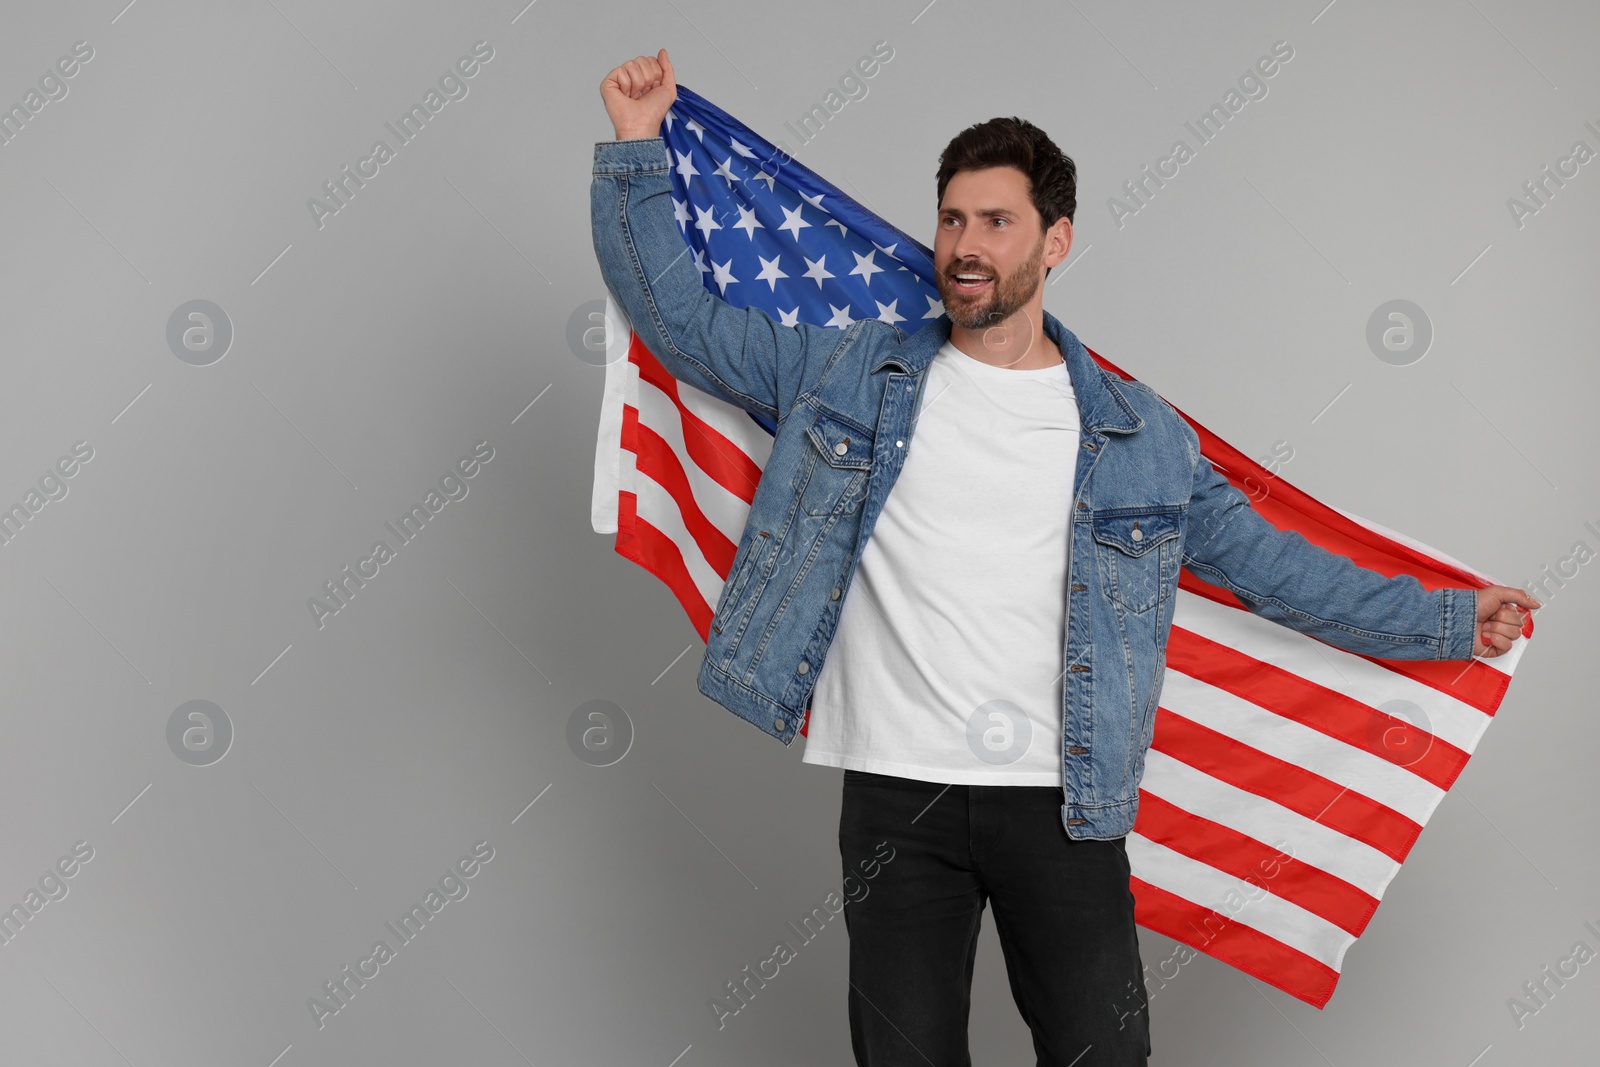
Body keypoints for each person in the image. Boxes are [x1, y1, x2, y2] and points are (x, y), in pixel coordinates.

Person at [592, 48, 1538, 1067]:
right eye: (953, 218)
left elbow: (1278, 570)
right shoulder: (849, 372)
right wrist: (636, 145)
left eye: (996, 222)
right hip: (893, 801)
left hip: (1062, 806)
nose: (965, 244)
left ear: (1057, 241)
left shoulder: (1141, 437)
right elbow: (682, 324)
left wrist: (1445, 616)